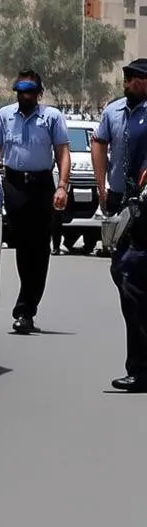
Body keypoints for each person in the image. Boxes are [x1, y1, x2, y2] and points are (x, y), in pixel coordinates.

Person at [0, 69, 71, 334]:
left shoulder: (51, 117)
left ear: (39, 94)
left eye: (31, 92)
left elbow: (62, 152)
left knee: (39, 247)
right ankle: (25, 303)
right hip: (13, 185)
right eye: (22, 91)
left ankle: (26, 308)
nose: (26, 96)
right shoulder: (4, 116)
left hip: (42, 185)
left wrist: (61, 187)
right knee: (22, 245)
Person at [90, 58, 147, 391]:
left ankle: (140, 368)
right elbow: (99, 141)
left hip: (144, 206)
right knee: (125, 277)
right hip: (121, 202)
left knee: (131, 274)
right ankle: (139, 365)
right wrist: (101, 186)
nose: (126, 83)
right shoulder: (115, 112)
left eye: (133, 79)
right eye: (126, 78)